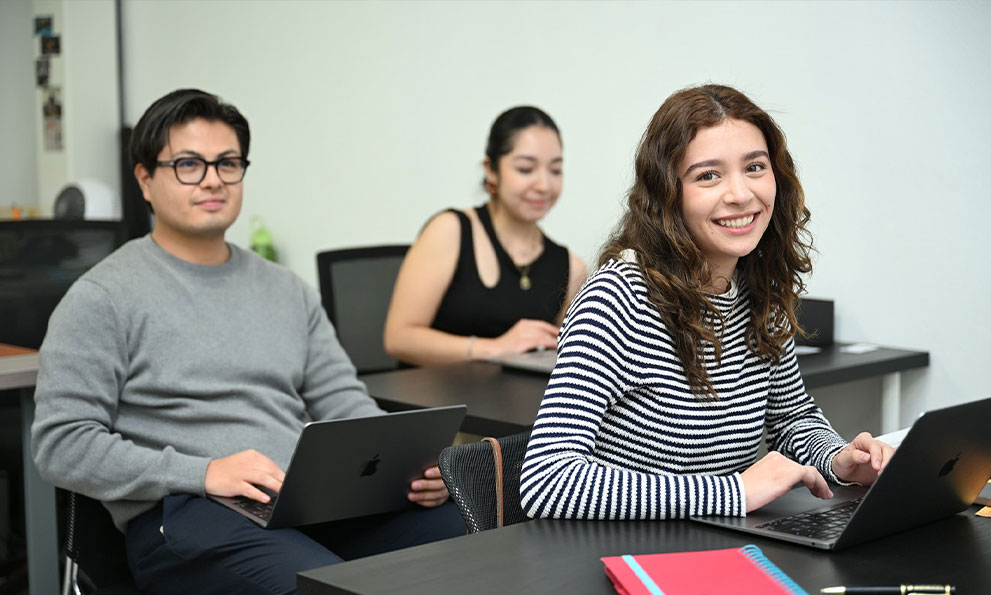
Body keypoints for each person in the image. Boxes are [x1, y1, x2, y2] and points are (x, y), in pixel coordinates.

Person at [31, 89, 464, 594]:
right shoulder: (102, 297)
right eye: (188, 164)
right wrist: (203, 472)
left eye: (228, 163)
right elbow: (60, 444)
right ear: (145, 179)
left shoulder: (287, 290)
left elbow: (344, 403)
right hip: (189, 511)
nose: (213, 179)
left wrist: (403, 467)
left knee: (473, 542)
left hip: (305, 500)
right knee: (322, 585)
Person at [519, 84, 895, 520]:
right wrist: (734, 492)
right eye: (708, 176)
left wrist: (839, 459)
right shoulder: (617, 297)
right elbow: (547, 481)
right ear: (667, 195)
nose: (740, 194)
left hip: (718, 538)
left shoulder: (761, 291)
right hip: (620, 548)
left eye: (754, 167)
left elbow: (792, 418)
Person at [383, 106, 587, 366]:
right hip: (436, 390)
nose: (544, 185)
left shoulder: (572, 267)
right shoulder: (449, 230)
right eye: (526, 169)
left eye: (555, 170)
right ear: (491, 169)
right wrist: (495, 348)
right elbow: (398, 339)